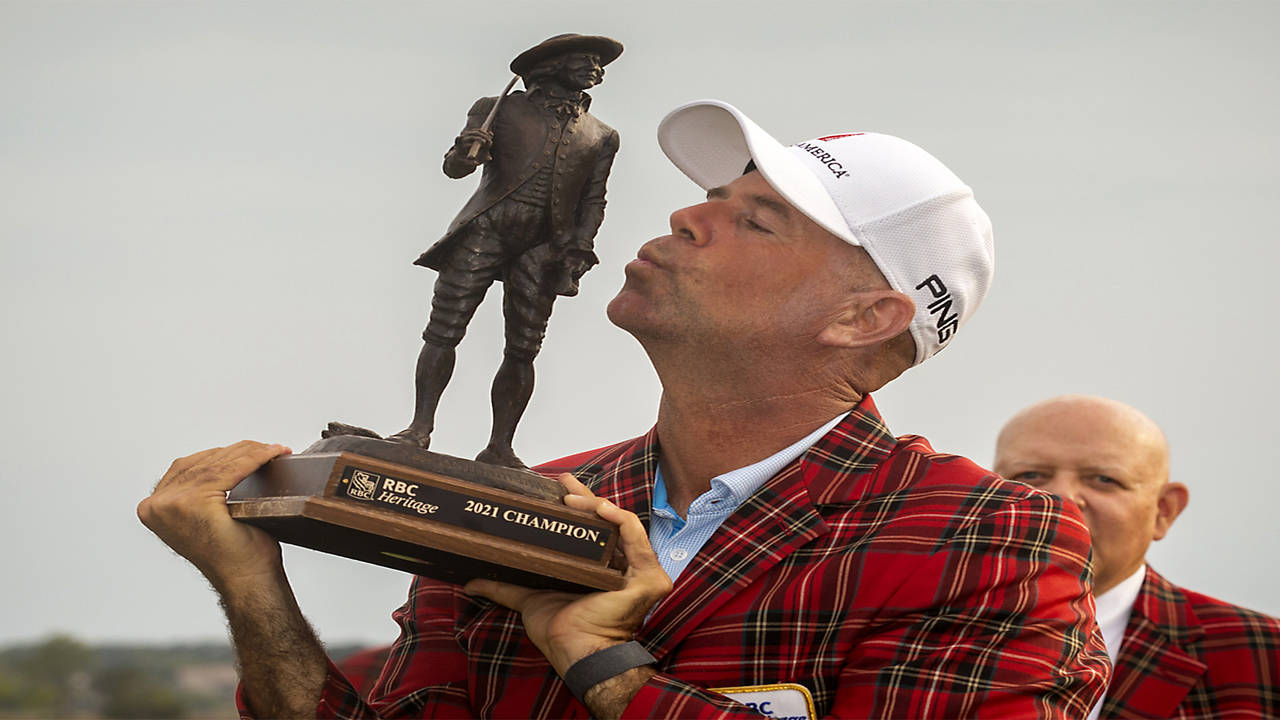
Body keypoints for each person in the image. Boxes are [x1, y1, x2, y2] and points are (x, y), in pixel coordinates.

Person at [139, 100, 1110, 719]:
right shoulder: (535, 499)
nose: (686, 216)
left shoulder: (997, 540)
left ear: (866, 317)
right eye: (708, 197)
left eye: (752, 220)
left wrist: (607, 668)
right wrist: (251, 587)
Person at [388, 33, 623, 468]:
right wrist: (466, 150)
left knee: (523, 348)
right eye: (585, 61)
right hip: (487, 229)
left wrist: (581, 244)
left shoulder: (603, 135)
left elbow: (594, 199)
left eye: (598, 64)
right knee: (444, 330)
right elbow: (455, 169)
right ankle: (419, 428)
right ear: (553, 64)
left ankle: (500, 445)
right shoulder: (499, 108)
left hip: (544, 246)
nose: (596, 69)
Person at [994, 395, 1280, 719]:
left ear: (1163, 511)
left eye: (1104, 479)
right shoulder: (928, 636)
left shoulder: (1265, 657)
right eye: (1029, 475)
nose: (1061, 500)